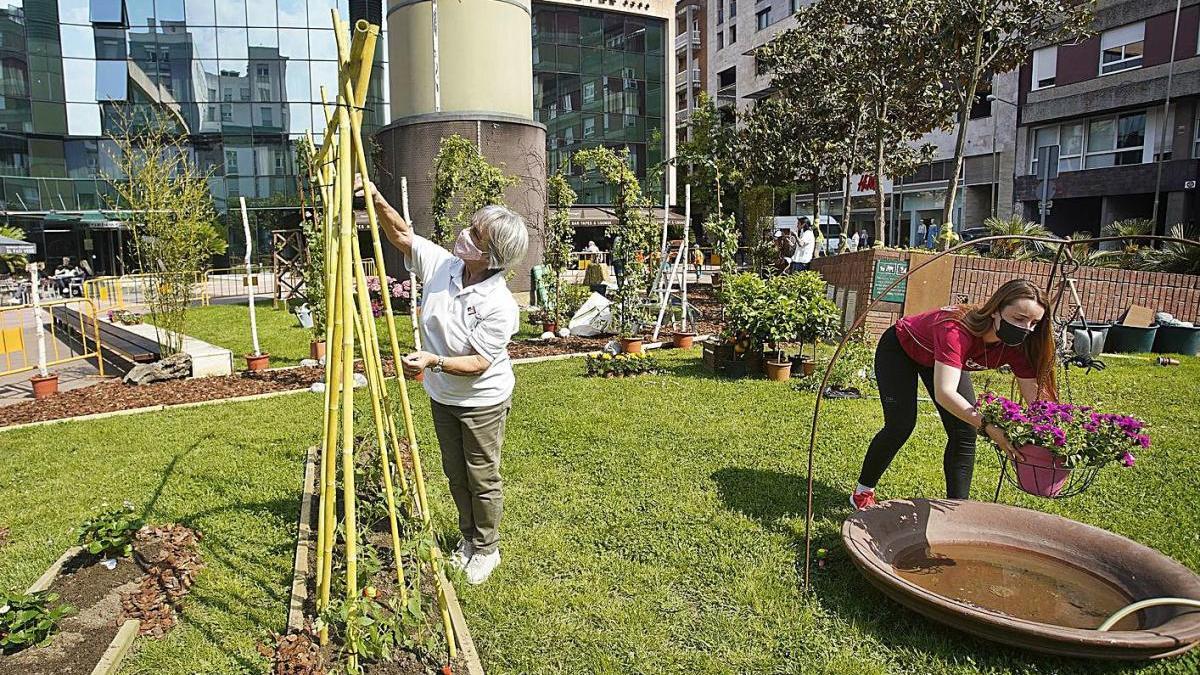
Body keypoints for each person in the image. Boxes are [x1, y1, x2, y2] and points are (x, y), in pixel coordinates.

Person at [357, 175, 528, 585]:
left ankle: (488, 548)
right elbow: (401, 235)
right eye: (469, 226)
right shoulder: (446, 266)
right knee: (455, 472)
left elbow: (480, 363)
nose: (463, 234)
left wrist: (433, 360)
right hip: (443, 393)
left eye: (474, 234)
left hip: (482, 399)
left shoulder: (499, 304)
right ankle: (468, 541)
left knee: (482, 475)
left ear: (490, 255)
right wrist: (375, 197)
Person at [850, 279, 1056, 510]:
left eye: (1034, 323)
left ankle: (958, 509)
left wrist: (1052, 436)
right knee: (901, 424)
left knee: (964, 431)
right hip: (902, 348)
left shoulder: (1018, 346)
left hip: (945, 361)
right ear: (996, 310)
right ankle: (862, 492)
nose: (1025, 328)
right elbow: (945, 393)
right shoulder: (956, 328)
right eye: (1019, 319)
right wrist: (990, 427)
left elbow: (1038, 403)